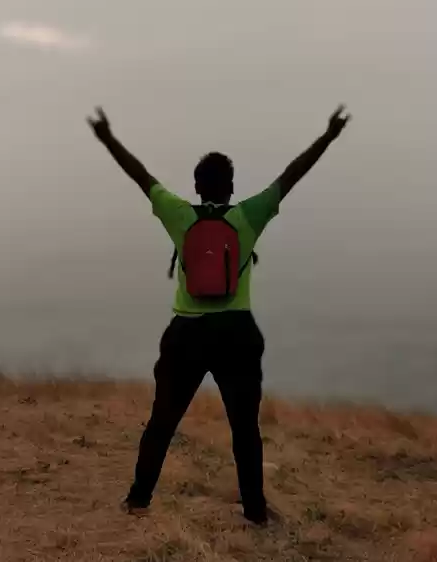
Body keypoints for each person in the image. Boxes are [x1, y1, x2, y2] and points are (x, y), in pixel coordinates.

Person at [86, 105, 352, 525]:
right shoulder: (249, 215)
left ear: (196, 186)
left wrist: (107, 138)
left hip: (185, 335)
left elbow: (139, 175)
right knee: (244, 429)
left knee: (162, 422)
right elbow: (292, 175)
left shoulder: (179, 215)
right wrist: (329, 135)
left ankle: (137, 500)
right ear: (231, 188)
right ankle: (255, 512)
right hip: (236, 333)